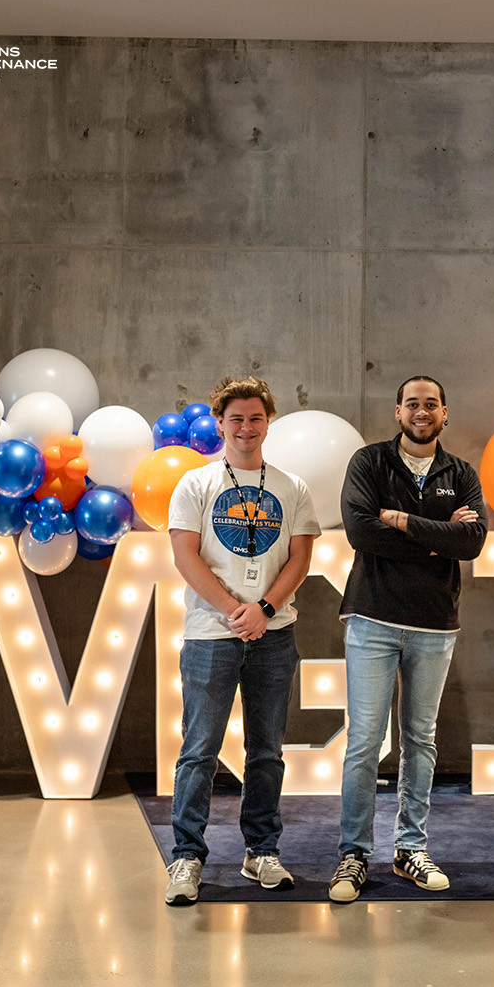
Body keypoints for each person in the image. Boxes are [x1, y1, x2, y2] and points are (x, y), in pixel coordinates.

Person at [162, 376, 321, 906]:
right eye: (237, 419)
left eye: (255, 418)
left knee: (267, 750)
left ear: (267, 421)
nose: (246, 427)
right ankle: (186, 857)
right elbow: (186, 556)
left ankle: (261, 850)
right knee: (199, 750)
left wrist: (266, 609)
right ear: (220, 424)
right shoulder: (195, 484)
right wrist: (235, 609)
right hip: (212, 634)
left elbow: (300, 558)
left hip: (273, 634)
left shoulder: (292, 487)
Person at [329, 375, 488, 903]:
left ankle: (409, 849)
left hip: (435, 623)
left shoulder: (460, 473)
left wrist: (399, 520)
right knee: (364, 742)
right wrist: (435, 536)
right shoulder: (369, 464)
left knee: (420, 740)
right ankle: (353, 854)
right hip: (373, 618)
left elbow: (472, 542)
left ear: (445, 413)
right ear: (398, 412)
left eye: (431, 405)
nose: (422, 412)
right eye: (412, 404)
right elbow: (360, 532)